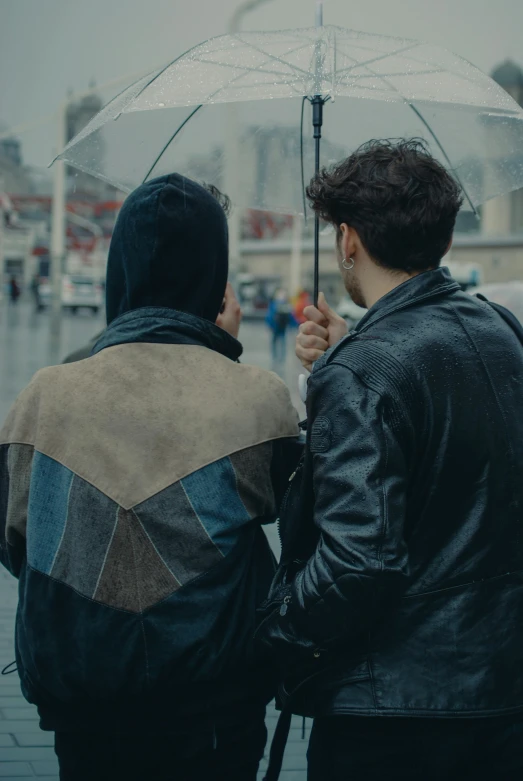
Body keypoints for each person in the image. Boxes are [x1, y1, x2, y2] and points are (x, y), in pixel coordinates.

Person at [0, 174, 300, 781]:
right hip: (216, 708)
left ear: (119, 269)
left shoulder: (44, 397)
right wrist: (220, 355)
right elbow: (303, 532)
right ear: (216, 279)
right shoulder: (258, 398)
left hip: (83, 706)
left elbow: (15, 542)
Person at [257, 140, 523, 780]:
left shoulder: (362, 374)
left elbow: (358, 561)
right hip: (502, 692)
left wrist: (275, 634)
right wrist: (348, 360)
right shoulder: (503, 333)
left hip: (393, 716)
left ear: (347, 240)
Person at [266, 288, 294, 364]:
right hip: (280, 327)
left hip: (277, 327)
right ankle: (280, 357)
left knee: (277, 341)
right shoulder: (284, 304)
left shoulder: (275, 304)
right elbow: (291, 317)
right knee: (280, 341)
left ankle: (277, 357)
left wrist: (269, 325)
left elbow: (269, 316)